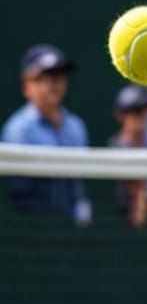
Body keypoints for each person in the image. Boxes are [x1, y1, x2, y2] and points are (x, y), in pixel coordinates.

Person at [1, 44, 90, 223]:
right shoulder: (17, 131)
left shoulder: (76, 126)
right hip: (29, 230)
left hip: (72, 230)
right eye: (44, 77)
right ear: (26, 86)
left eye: (59, 75)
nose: (53, 83)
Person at [108, 83, 147, 227]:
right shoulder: (118, 149)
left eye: (145, 111)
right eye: (136, 112)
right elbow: (137, 216)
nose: (142, 117)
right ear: (121, 116)